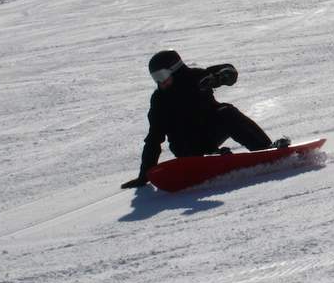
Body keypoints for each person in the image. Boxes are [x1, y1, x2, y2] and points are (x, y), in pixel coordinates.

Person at [122, 50, 288, 189]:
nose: (160, 82)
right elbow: (154, 138)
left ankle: (266, 150)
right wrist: (144, 176)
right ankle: (209, 158)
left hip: (209, 134)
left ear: (176, 69)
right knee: (188, 133)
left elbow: (229, 71)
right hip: (186, 147)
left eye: (162, 75)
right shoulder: (159, 100)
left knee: (227, 111)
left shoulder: (198, 78)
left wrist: (219, 78)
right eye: (155, 78)